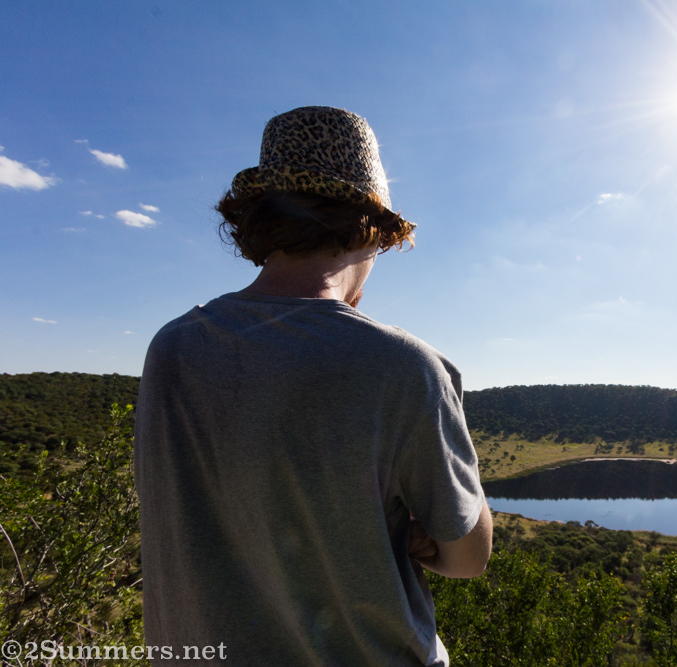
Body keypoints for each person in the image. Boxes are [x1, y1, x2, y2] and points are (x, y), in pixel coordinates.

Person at [134, 106, 492, 666]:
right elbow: (469, 556)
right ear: (371, 230)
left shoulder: (172, 348)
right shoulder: (402, 367)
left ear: (258, 222)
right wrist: (429, 536)